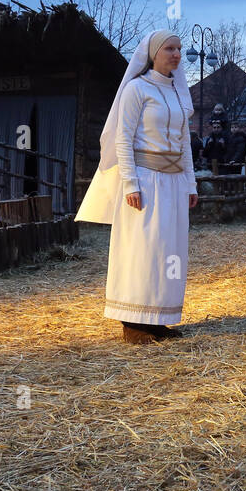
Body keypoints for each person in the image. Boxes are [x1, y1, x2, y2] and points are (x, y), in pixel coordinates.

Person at [75, 30, 198, 343]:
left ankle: (158, 319)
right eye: (169, 48)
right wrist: (130, 183)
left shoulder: (179, 93)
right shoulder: (136, 89)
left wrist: (190, 183)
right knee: (143, 249)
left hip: (173, 182)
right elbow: (123, 138)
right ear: (153, 52)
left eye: (179, 49)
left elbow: (185, 142)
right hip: (145, 180)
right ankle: (132, 323)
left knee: (169, 250)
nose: (176, 54)